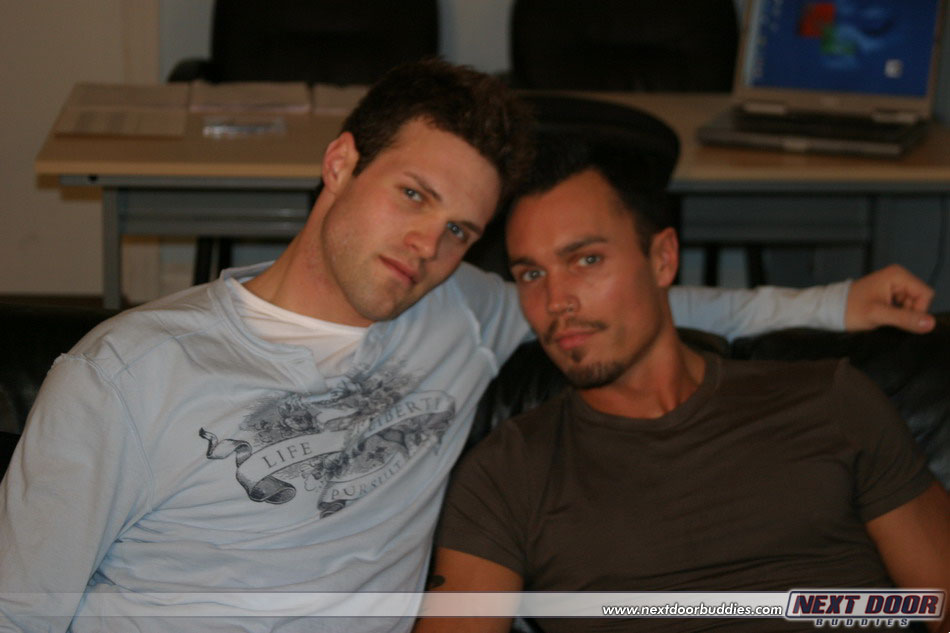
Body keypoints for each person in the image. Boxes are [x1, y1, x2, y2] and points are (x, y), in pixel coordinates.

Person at [0, 60, 936, 633]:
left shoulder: (457, 312)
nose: (428, 246)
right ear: (340, 164)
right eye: (413, 195)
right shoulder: (127, 373)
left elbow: (639, 300)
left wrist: (833, 301)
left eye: (459, 230)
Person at [416, 137, 950, 633]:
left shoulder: (831, 401)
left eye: (587, 260)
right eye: (532, 274)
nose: (557, 301)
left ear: (663, 259)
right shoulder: (508, 473)